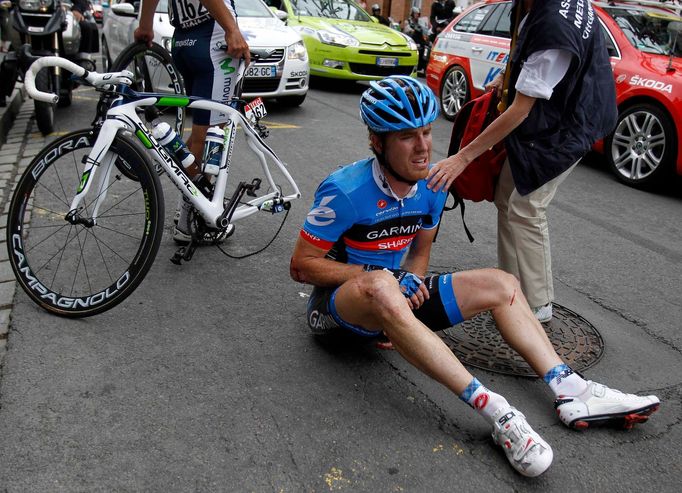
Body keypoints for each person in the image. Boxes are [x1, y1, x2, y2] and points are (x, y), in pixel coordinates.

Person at [289, 76, 660, 477]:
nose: (423, 147)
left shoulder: (431, 186)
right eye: (407, 137)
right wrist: (383, 278)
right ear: (377, 142)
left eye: (427, 132)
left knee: (503, 283)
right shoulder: (344, 190)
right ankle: (498, 412)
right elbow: (301, 265)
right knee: (380, 283)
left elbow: (420, 252)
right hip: (337, 311)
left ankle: (570, 389)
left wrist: (408, 294)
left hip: (389, 297)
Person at [427, 0, 618, 323]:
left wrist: (463, 157)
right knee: (506, 196)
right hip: (552, 114)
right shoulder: (536, 6)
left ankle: (537, 304)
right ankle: (508, 285)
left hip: (570, 125)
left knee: (526, 206)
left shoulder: (554, 29)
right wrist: (505, 76)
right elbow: (524, 54)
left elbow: (520, 109)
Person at [134, 0, 250, 243]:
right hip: (213, 35)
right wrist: (231, 29)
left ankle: (191, 210)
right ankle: (190, 221)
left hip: (185, 39)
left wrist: (146, 23)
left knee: (201, 130)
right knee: (210, 134)